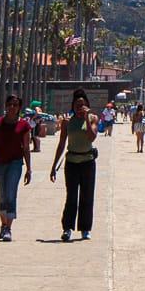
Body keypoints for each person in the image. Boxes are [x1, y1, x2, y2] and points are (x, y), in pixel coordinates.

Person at [50, 90, 100, 241]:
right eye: (77, 105)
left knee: (87, 196)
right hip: (72, 162)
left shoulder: (93, 119)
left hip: (87, 162)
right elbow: (61, 144)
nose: (80, 108)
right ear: (73, 106)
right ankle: (67, 228)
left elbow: (92, 137)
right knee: (71, 197)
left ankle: (85, 229)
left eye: (83, 105)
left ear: (87, 106)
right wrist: (54, 166)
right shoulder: (67, 122)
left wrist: (86, 118)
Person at [0, 94, 33, 241]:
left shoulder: (24, 126)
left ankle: (8, 228)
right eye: (10, 104)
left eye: (15, 105)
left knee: (11, 195)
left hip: (15, 164)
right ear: (5, 106)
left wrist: (29, 169)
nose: (12, 107)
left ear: (19, 108)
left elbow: (26, 149)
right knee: (2, 195)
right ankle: (3, 225)